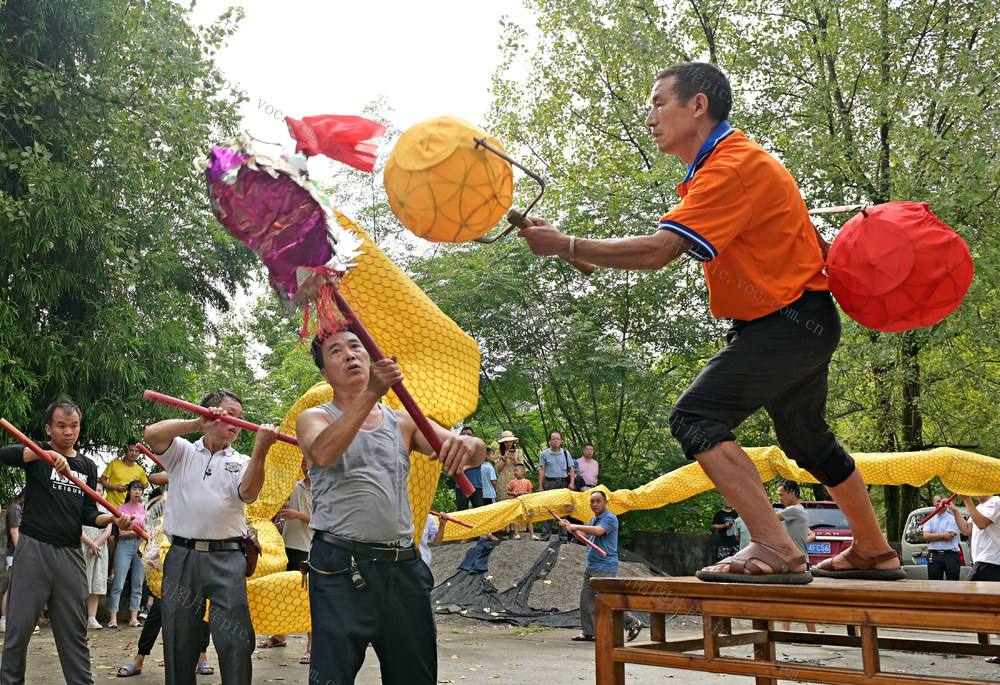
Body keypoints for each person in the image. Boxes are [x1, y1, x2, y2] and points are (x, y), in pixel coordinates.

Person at [518, 61, 902, 583]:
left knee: (695, 418)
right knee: (807, 442)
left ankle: (776, 547)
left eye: (658, 103)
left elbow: (658, 252)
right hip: (803, 321)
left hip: (783, 324)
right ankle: (874, 551)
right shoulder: (724, 166)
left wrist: (565, 244)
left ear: (698, 105)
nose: (649, 116)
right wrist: (569, 248)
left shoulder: (730, 167)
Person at [297, 329, 485, 685]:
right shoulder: (315, 418)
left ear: (370, 357)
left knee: (415, 675)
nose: (350, 354)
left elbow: (469, 450)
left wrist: (469, 444)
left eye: (356, 346)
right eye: (336, 351)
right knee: (331, 677)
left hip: (403, 568)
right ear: (324, 372)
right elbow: (321, 454)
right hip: (340, 568)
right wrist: (372, 393)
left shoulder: (403, 421)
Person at [144, 389, 278, 685]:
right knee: (179, 641)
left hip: (228, 558)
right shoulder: (182, 451)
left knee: (236, 642)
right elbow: (151, 434)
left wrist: (261, 451)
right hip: (182, 557)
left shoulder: (242, 459)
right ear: (210, 413)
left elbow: (249, 493)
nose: (238, 424)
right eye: (231, 415)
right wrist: (196, 423)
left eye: (242, 420)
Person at [0, 398, 135, 685]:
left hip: (71, 554)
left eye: (73, 426)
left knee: (75, 631)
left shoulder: (86, 465)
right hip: (34, 550)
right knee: (18, 630)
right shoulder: (40, 452)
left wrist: (112, 519)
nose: (68, 431)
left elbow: (89, 513)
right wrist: (40, 454)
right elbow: (5, 453)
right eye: (61, 426)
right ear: (49, 429)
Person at [117, 487, 215, 678]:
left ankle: (202, 658)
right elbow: (145, 551)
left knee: (203, 609)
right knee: (158, 611)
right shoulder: (157, 526)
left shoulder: (195, 516)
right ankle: (139, 659)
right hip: (169, 580)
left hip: (197, 574)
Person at [560, 490, 643, 643]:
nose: (595, 504)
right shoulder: (593, 519)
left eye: (598, 501)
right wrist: (570, 529)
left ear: (606, 503)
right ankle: (590, 632)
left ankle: (633, 623)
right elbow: (586, 539)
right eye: (592, 501)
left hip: (605, 566)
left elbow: (599, 532)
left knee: (607, 600)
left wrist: (576, 525)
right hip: (591, 565)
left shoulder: (610, 518)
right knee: (586, 599)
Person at [258, 458, 314, 665]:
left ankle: (311, 646)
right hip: (287, 546)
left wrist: (296, 514)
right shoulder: (296, 485)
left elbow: (324, 521)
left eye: (309, 463)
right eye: (302, 464)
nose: (305, 468)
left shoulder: (324, 487)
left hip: (308, 549)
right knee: (280, 591)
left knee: (308, 599)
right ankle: (279, 635)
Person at [776, 481, 816, 632]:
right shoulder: (798, 511)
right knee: (789, 599)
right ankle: (786, 632)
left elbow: (770, 519)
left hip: (795, 562)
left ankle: (811, 634)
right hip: (796, 560)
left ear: (792, 494)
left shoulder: (794, 510)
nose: (779, 498)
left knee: (799, 601)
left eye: (781, 494)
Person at [107, 479, 146, 629]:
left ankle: (134, 618)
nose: (137, 492)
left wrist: (137, 536)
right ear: (128, 491)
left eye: (140, 489)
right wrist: (136, 533)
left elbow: (149, 531)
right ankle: (113, 618)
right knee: (119, 581)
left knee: (138, 582)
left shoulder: (145, 509)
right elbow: (121, 532)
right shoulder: (121, 508)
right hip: (124, 546)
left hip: (141, 546)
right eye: (134, 489)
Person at [81, 482, 113, 630]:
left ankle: (92, 619)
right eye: (94, 489)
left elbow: (108, 531)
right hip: (83, 547)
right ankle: (78, 617)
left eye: (100, 490)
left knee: (96, 582)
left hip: (99, 550)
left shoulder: (107, 509)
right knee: (81, 582)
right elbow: (77, 529)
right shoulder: (81, 506)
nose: (96, 492)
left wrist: (96, 545)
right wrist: (90, 544)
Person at [538, 432, 576, 541]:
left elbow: (571, 468)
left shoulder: (566, 453)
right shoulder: (544, 454)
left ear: (561, 441)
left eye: (558, 439)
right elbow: (542, 470)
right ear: (550, 441)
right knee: (548, 509)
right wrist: (540, 486)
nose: (555, 441)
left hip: (563, 482)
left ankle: (563, 536)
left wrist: (572, 482)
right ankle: (545, 536)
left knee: (563, 510)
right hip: (550, 482)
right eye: (553, 439)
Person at [1, 488, 25, 634]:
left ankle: (13, 621)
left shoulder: (20, 509)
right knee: (12, 588)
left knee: (19, 588)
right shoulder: (15, 509)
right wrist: (23, 553)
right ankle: (3, 620)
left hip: (19, 554)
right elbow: (14, 532)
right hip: (16, 555)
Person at [923, 493, 962, 581]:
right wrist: (943, 535)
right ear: (934, 502)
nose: (942, 504)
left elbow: (949, 537)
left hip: (950, 555)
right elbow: (925, 536)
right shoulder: (929, 519)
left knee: (953, 583)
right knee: (934, 584)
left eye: (945, 502)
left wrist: (932, 536)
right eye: (939, 501)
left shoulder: (953, 519)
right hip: (934, 555)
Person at [100, 440, 149, 509]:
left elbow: (146, 484)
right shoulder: (114, 464)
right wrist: (115, 488)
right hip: (111, 506)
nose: (133, 453)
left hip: (129, 508)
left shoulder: (140, 470)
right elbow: (102, 480)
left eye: (136, 451)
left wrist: (134, 489)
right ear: (125, 451)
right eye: (131, 450)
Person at [507, 464, 539, 540]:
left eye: (516, 470)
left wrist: (523, 493)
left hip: (525, 503)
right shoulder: (512, 482)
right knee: (515, 518)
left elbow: (530, 492)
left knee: (529, 517)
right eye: (514, 471)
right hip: (515, 503)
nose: (515, 472)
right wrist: (514, 493)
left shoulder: (527, 482)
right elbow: (508, 492)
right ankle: (516, 534)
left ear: (522, 472)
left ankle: (532, 534)